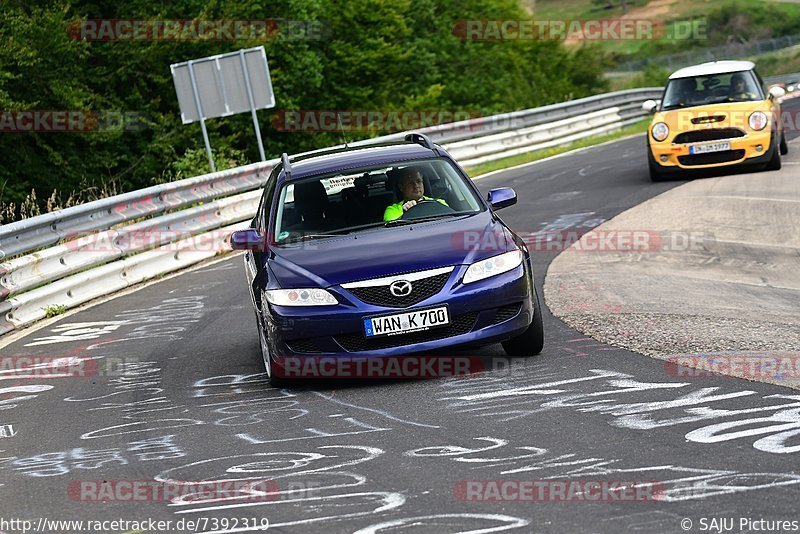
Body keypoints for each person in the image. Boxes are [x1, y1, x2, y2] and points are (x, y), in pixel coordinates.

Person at [383, 167, 449, 221]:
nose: (416, 185)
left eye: (418, 181)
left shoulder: (438, 202)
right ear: (401, 187)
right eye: (411, 183)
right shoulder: (392, 210)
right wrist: (406, 215)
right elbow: (392, 230)